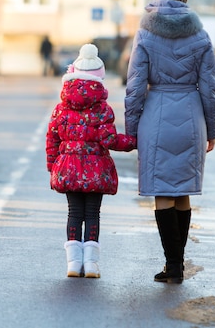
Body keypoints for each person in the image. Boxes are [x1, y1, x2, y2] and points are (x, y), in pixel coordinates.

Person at [124, 0, 215, 284]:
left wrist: (132, 128)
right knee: (183, 192)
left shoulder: (145, 32)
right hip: (192, 117)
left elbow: (136, 84)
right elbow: (210, 86)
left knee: (163, 191)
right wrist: (213, 128)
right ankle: (177, 263)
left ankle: (173, 266)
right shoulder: (201, 34)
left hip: (157, 115)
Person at [46, 43, 136, 278]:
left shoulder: (60, 109)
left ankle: (73, 264)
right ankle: (92, 265)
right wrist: (134, 142)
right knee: (93, 214)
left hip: (68, 168)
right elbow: (109, 140)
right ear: (100, 79)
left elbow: (52, 138)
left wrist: (52, 165)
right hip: (96, 170)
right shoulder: (102, 110)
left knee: (74, 212)